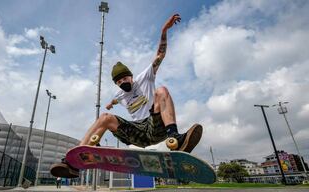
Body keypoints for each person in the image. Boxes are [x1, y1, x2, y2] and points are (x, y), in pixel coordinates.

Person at [50, 14, 203, 178]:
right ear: (116, 84)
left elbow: (159, 56)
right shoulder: (120, 94)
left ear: (131, 76)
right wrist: (110, 104)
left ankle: (176, 138)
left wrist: (164, 30)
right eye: (119, 81)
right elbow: (115, 100)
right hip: (136, 132)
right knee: (105, 117)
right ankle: (74, 161)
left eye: (125, 78)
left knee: (162, 91)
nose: (123, 82)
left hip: (154, 125)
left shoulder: (144, 78)